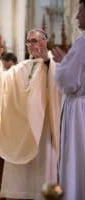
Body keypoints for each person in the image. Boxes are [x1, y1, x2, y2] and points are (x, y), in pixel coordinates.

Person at [0, 28, 61, 200]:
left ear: (45, 41)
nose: (31, 45)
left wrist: (47, 61)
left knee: (42, 163)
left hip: (43, 126)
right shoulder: (22, 67)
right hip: (21, 127)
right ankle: (18, 194)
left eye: (35, 41)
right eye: (28, 41)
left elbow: (60, 85)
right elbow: (3, 84)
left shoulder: (54, 64)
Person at [52, 1, 85, 199]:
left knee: (76, 160)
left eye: (80, 11)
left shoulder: (82, 43)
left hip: (80, 111)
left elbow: (68, 80)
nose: (76, 17)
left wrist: (63, 63)